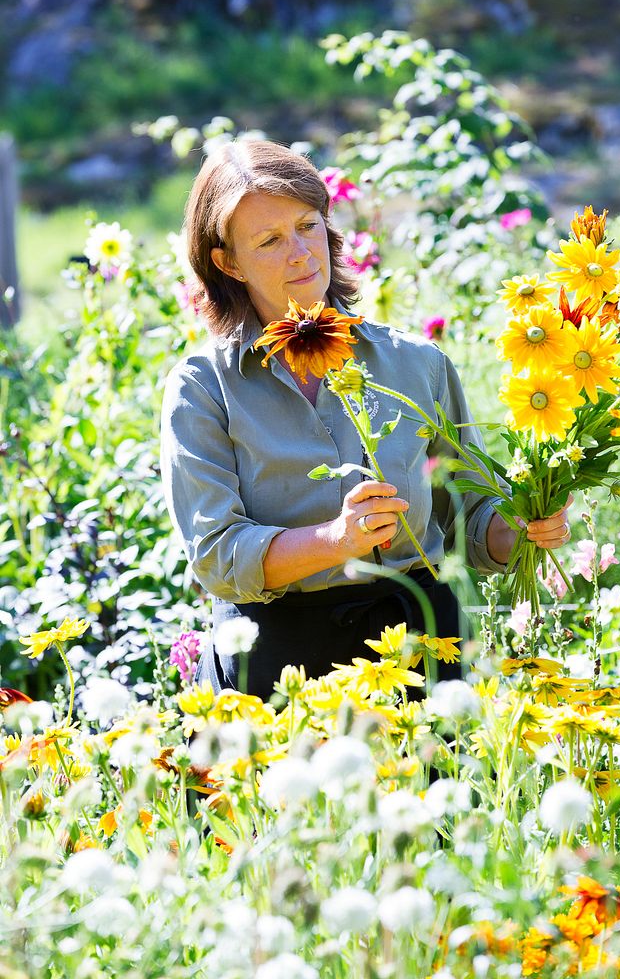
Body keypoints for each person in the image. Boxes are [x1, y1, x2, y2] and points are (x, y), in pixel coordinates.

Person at [159, 138, 572, 700]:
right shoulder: (204, 388)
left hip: (423, 651)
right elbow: (216, 557)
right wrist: (335, 539)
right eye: (270, 240)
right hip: (281, 671)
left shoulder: (415, 363)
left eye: (308, 226)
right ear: (227, 262)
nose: (302, 253)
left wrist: (521, 527)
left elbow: (471, 523)